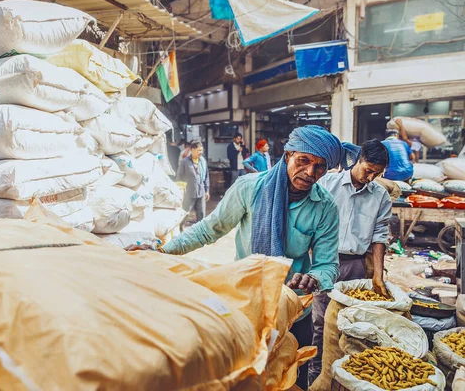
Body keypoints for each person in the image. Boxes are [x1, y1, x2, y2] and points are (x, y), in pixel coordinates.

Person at [128, 125, 361, 389]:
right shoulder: (251, 188)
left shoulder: (324, 206)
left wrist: (314, 279)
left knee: (289, 376)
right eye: (303, 161)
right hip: (247, 302)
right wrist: (162, 251)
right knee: (245, 376)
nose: (310, 172)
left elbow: (327, 264)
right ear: (287, 155)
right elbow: (209, 228)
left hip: (294, 309)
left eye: (320, 167)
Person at [309, 139, 392, 384]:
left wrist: (377, 274)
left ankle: (346, 377)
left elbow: (379, 237)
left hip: (356, 265)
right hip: (325, 262)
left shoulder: (380, 196)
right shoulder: (327, 184)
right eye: (368, 170)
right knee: (321, 321)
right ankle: (317, 374)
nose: (370, 178)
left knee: (352, 324)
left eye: (376, 174)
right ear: (358, 159)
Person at [176, 141, 210, 222]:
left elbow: (206, 177)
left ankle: (200, 232)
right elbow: (179, 177)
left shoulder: (203, 161)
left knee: (201, 214)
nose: (201, 152)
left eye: (202, 150)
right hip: (188, 192)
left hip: (200, 191)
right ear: (192, 150)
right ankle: (181, 229)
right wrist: (180, 191)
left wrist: (207, 190)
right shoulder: (184, 162)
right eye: (199, 150)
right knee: (185, 213)